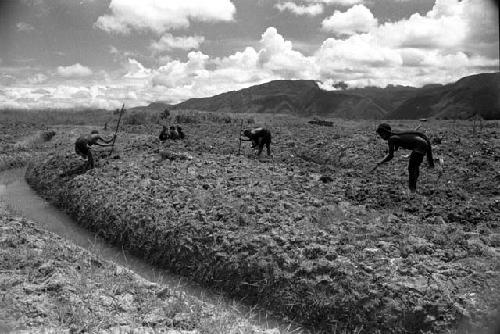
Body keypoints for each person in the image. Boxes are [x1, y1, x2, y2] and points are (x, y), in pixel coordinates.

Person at [372, 123, 434, 193]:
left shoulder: (391, 139)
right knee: (414, 167)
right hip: (422, 144)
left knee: (412, 168)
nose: (382, 137)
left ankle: (412, 189)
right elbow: (398, 145)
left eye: (381, 134)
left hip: (420, 146)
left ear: (386, 132)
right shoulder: (395, 136)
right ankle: (413, 187)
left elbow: (390, 156)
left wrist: (379, 162)